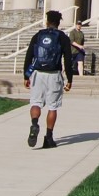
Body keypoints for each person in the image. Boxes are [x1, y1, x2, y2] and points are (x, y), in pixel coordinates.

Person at [23, 9, 76, 149]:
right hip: (54, 75)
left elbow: (29, 56)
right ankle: (49, 138)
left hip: (38, 74)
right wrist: (70, 79)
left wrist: (26, 75)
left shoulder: (38, 35)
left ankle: (34, 124)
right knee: (53, 107)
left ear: (47, 22)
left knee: (36, 103)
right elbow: (68, 60)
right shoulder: (62, 37)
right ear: (58, 23)